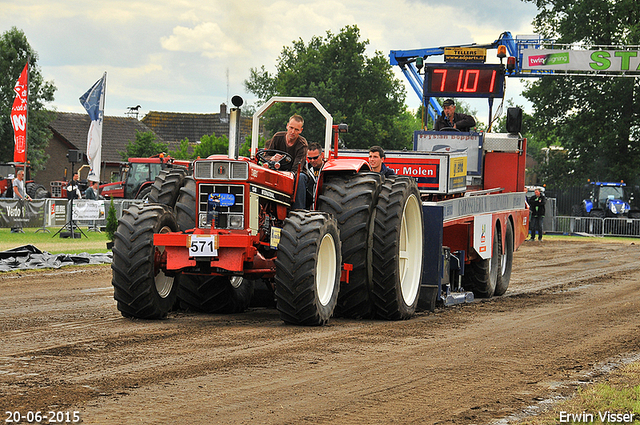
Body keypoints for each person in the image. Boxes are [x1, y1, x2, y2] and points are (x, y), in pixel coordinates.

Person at [264, 114, 309, 209]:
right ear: (287, 126)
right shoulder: (277, 137)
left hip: (294, 173)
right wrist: (272, 159)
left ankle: (298, 210)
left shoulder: (302, 144)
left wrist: (286, 175)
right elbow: (266, 156)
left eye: (296, 129)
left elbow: (297, 167)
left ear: (301, 130)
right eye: (291, 128)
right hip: (277, 169)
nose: (292, 132)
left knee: (300, 177)